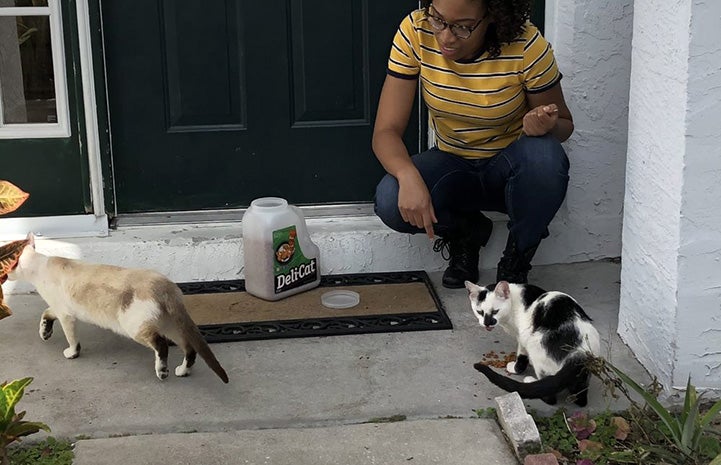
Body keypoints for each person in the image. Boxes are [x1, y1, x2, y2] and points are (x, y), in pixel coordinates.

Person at [372, 0, 573, 288]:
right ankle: (465, 231)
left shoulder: (526, 45)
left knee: (546, 158)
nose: (446, 37)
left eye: (463, 27)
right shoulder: (416, 31)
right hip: (452, 165)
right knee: (390, 200)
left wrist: (545, 125)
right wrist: (407, 176)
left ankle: (515, 262)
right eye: (438, 20)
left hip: (510, 171)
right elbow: (385, 131)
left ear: (492, 17)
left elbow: (565, 125)